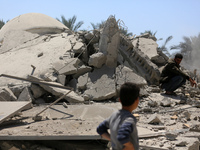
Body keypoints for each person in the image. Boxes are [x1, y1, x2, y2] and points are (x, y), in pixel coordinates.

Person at [96, 82, 140, 150]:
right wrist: (129, 146)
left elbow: (100, 129)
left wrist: (113, 139)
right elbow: (122, 135)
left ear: (119, 100)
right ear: (137, 100)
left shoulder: (114, 115)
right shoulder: (129, 119)